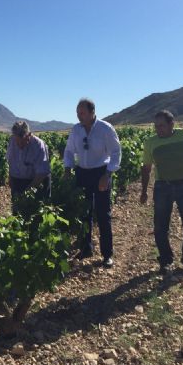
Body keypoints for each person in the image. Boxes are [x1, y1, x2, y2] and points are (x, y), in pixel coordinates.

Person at [140, 110, 183, 276]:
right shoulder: (151, 142)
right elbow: (146, 168)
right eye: (156, 126)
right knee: (160, 227)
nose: (158, 129)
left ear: (172, 124)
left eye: (161, 126)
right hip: (163, 187)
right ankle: (165, 260)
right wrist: (144, 191)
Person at [63, 98, 121, 268]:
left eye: (82, 112)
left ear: (92, 112)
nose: (79, 116)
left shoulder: (105, 128)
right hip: (82, 173)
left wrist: (108, 174)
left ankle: (107, 254)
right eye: (77, 112)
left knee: (103, 214)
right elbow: (68, 151)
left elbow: (116, 152)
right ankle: (86, 248)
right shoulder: (76, 130)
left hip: (100, 173)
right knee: (84, 213)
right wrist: (67, 170)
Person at [7, 121, 51, 206]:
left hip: (37, 180)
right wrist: (10, 178)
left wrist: (27, 191)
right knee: (17, 210)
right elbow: (10, 161)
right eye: (17, 142)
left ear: (29, 135)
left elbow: (41, 173)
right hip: (18, 179)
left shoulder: (38, 145)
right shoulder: (12, 141)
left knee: (36, 211)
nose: (19, 145)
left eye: (23, 142)